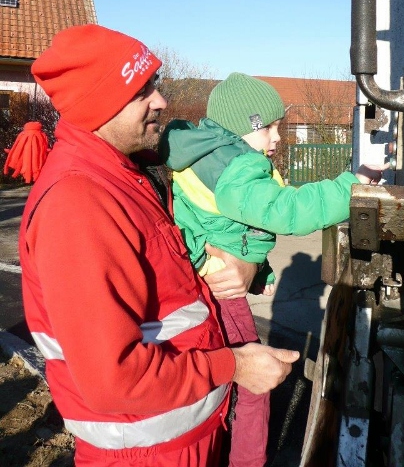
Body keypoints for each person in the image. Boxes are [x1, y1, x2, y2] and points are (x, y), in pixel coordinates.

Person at [18, 26, 299, 467]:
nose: (161, 101)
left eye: (156, 84)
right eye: (140, 90)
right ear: (99, 104)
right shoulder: (79, 205)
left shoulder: (129, 174)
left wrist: (243, 263)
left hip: (181, 435)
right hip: (146, 452)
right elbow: (114, 380)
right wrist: (234, 366)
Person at [160, 72, 387, 467]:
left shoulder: (209, 156)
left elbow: (233, 228)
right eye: (269, 128)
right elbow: (285, 211)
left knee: (222, 375)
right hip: (222, 292)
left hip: (210, 278)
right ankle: (248, 460)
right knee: (254, 380)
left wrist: (259, 271)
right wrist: (351, 185)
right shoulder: (237, 168)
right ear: (243, 129)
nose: (278, 138)